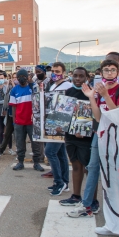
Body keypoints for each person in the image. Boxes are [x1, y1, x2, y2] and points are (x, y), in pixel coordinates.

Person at [74, 59, 119, 237]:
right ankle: (96, 211)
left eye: (112, 70)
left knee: (116, 177)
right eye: (105, 70)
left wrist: (106, 95)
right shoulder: (99, 91)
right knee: (94, 169)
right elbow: (98, 117)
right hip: (100, 135)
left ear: (118, 72)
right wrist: (92, 97)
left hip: (118, 138)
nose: (108, 73)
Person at [59, 67, 96, 208]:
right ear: (71, 76)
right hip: (70, 135)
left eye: (81, 76)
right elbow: (63, 112)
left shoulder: (91, 93)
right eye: (75, 76)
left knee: (88, 168)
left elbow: (95, 114)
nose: (78, 79)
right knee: (75, 165)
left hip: (86, 137)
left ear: (87, 77)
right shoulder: (68, 92)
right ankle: (76, 195)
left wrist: (83, 129)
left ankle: (91, 199)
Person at [46, 62, 72, 196]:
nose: (55, 74)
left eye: (57, 71)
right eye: (53, 71)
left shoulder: (68, 86)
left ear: (63, 72)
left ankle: (59, 182)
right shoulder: (53, 85)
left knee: (50, 152)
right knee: (61, 153)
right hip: (53, 121)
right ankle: (64, 182)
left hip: (61, 123)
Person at [9, 69, 44, 171]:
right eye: (19, 77)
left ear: (27, 77)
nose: (21, 78)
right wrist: (15, 121)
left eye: (23, 76)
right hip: (19, 122)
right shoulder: (14, 90)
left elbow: (39, 97)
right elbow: (13, 107)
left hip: (32, 121)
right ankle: (20, 162)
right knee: (20, 143)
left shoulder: (32, 87)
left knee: (35, 143)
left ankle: (36, 162)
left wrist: (33, 84)